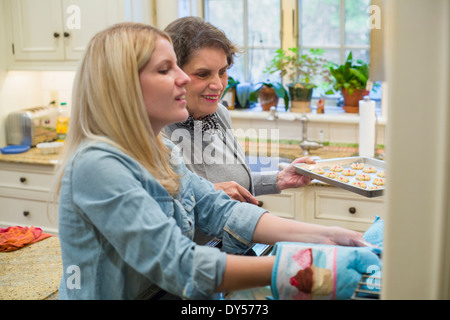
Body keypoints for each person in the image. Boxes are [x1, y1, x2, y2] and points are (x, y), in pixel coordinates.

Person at [54, 22, 369, 300]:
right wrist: (303, 263)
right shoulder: (97, 166)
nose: (183, 78)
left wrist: (324, 235)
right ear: (122, 87)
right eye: (166, 70)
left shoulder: (161, 150)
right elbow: (178, 264)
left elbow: (220, 209)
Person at [164, 16, 314, 206]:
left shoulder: (219, 114)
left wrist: (279, 179)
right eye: (203, 74)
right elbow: (167, 208)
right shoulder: (157, 131)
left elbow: (233, 186)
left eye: (222, 72)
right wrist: (210, 194)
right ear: (172, 73)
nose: (218, 85)